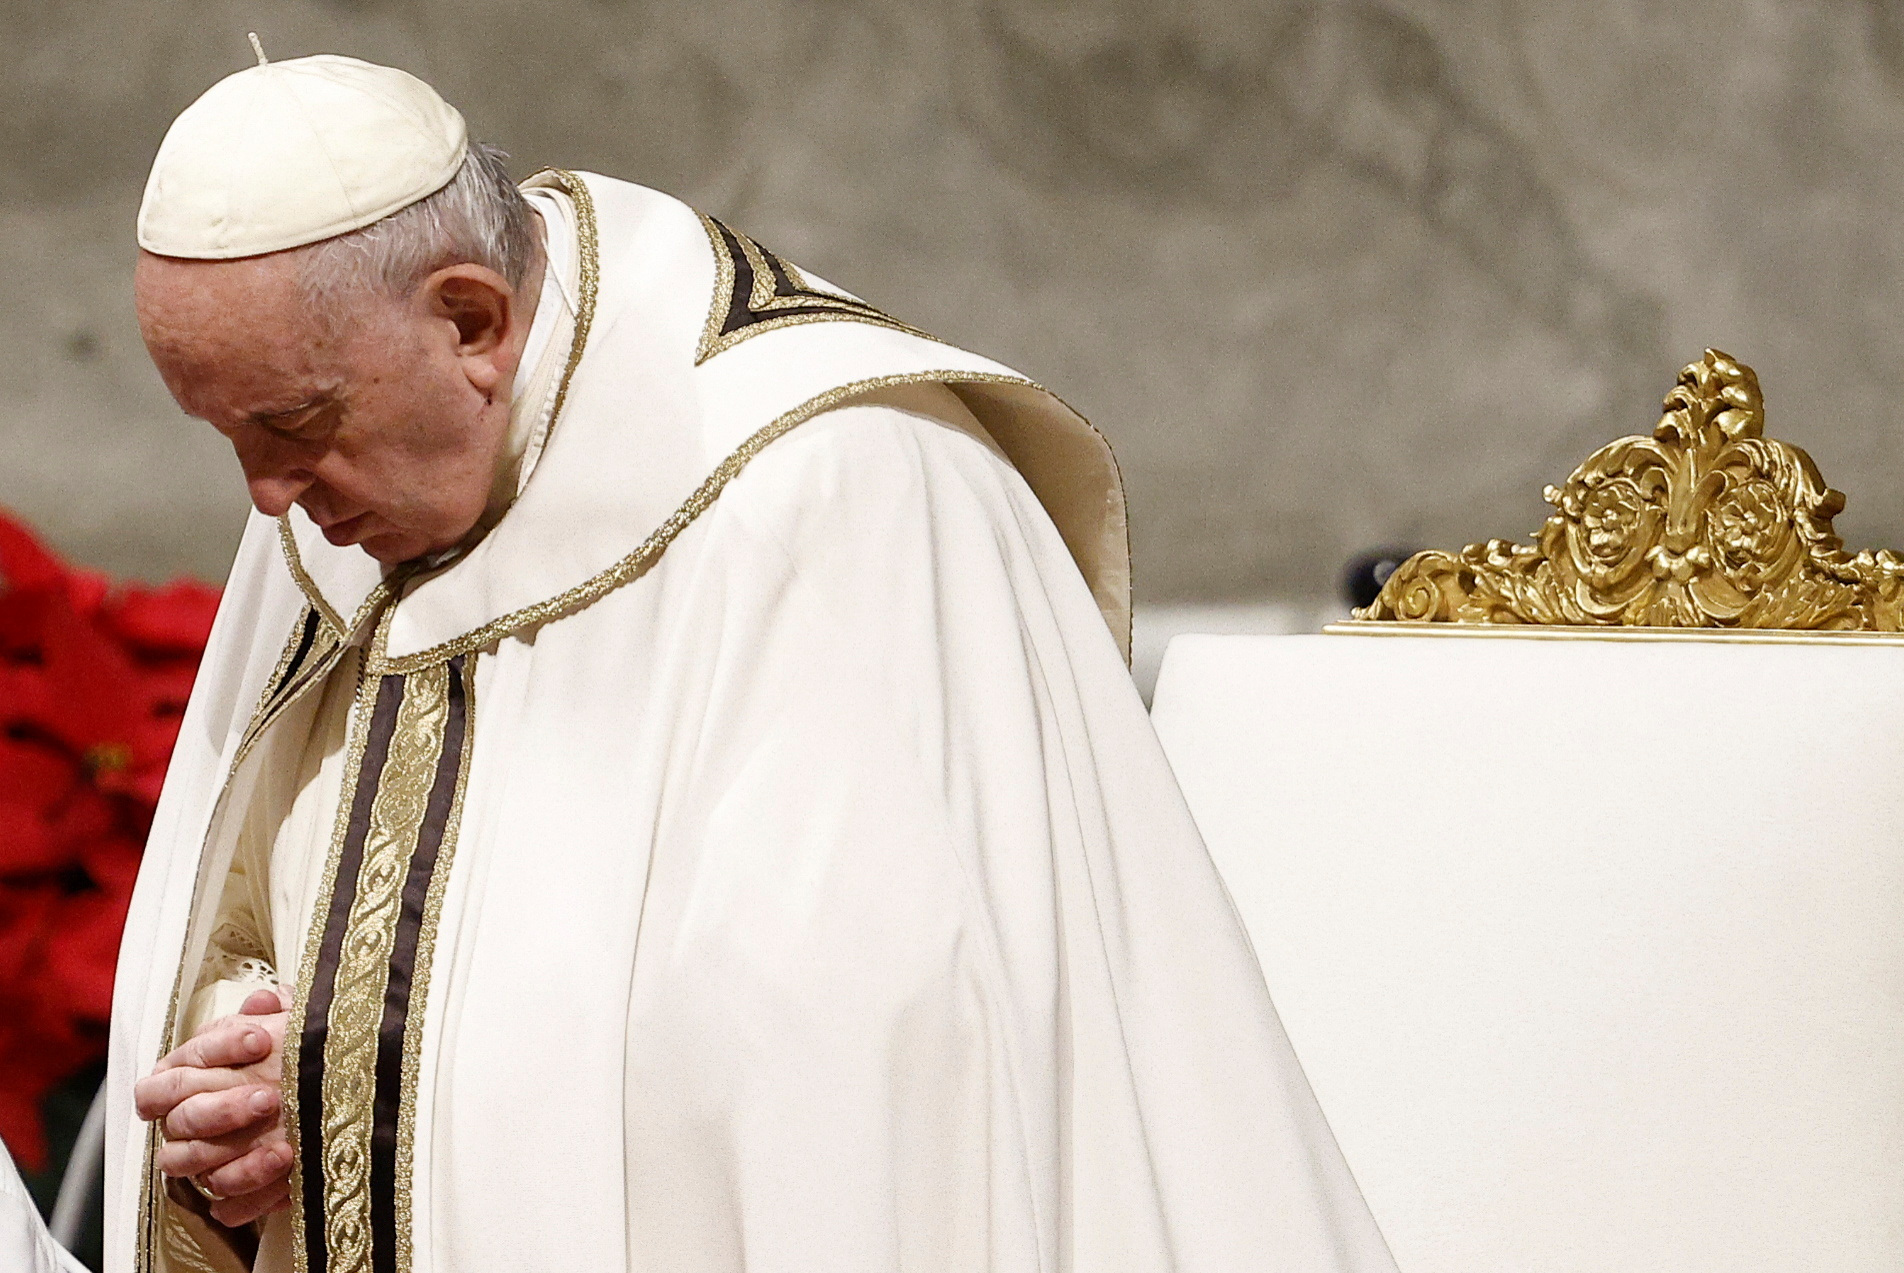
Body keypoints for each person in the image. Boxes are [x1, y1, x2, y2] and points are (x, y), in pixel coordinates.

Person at [106, 49, 1398, 1273]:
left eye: (290, 422)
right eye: (224, 432)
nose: (266, 495)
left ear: (472, 319)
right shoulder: (338, 494)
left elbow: (854, 1087)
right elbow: (262, 912)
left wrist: (360, 1075)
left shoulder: (841, 493)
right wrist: (253, 1055)